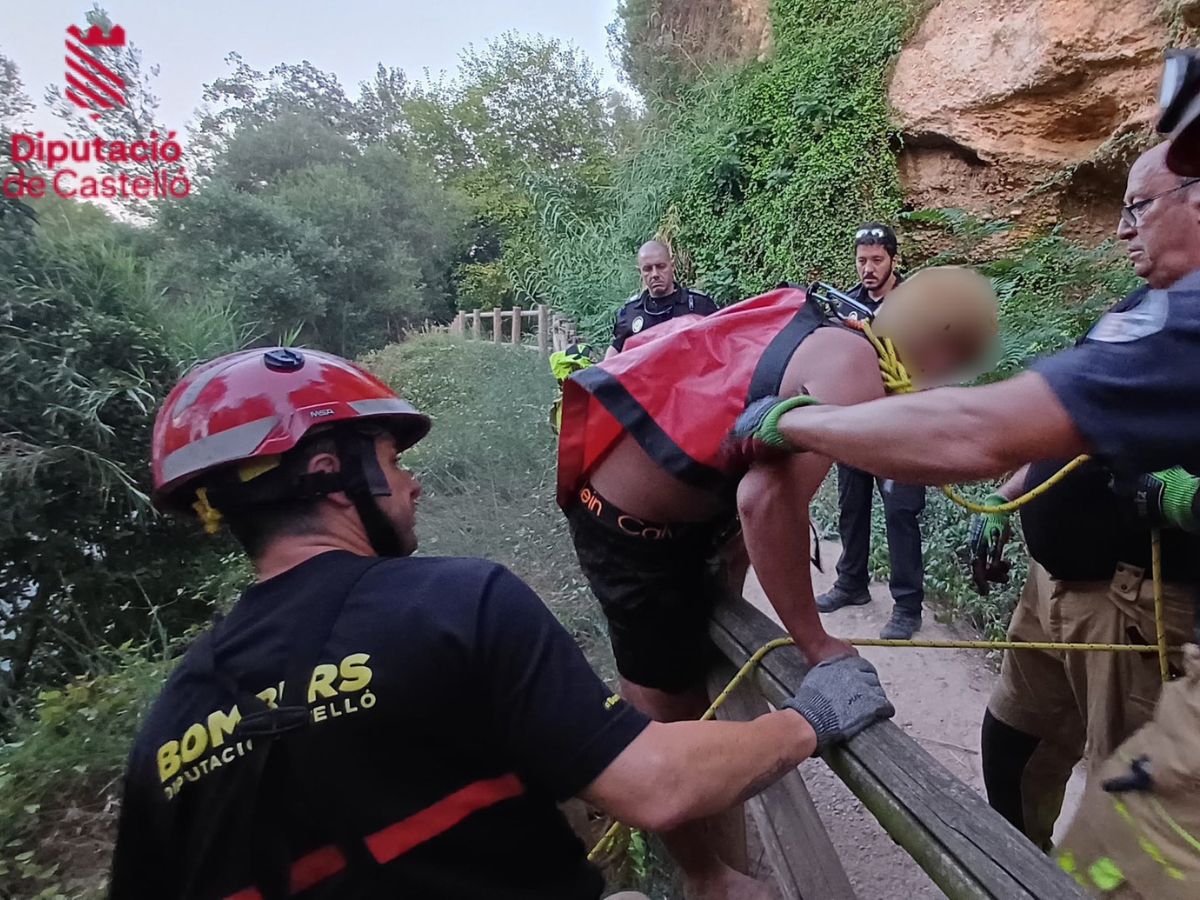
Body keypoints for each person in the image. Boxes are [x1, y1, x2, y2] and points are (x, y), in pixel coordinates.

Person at [107, 347, 895, 900]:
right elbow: (653, 783)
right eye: (388, 458)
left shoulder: (166, 725)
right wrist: (811, 718)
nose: (410, 483)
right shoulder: (455, 605)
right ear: (329, 475)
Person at [727, 138, 1200, 897]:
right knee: (1011, 742)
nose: (1121, 230)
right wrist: (1010, 497)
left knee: (1127, 838)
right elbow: (1065, 424)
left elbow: (975, 425)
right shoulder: (1149, 314)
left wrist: (800, 422)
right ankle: (1007, 876)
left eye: (1138, 207)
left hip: (1137, 607)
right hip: (1051, 592)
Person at [558, 268, 998, 899]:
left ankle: (714, 857)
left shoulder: (833, 330)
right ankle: (709, 875)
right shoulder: (857, 377)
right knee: (667, 710)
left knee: (699, 658)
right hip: (633, 537)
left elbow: (745, 456)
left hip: (667, 517)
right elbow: (764, 502)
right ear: (943, 350)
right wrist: (815, 642)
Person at [817, 223, 928, 641]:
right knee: (852, 503)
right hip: (857, 420)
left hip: (902, 423)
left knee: (901, 512)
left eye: (877, 260)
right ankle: (852, 583)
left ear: (894, 260)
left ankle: (907, 606)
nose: (868, 268)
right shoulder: (847, 304)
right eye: (862, 260)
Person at [606, 240, 718, 358]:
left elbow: (721, 343)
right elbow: (614, 355)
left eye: (660, 266)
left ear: (672, 266)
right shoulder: (630, 313)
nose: (655, 274)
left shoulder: (699, 304)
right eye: (648, 269)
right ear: (640, 272)